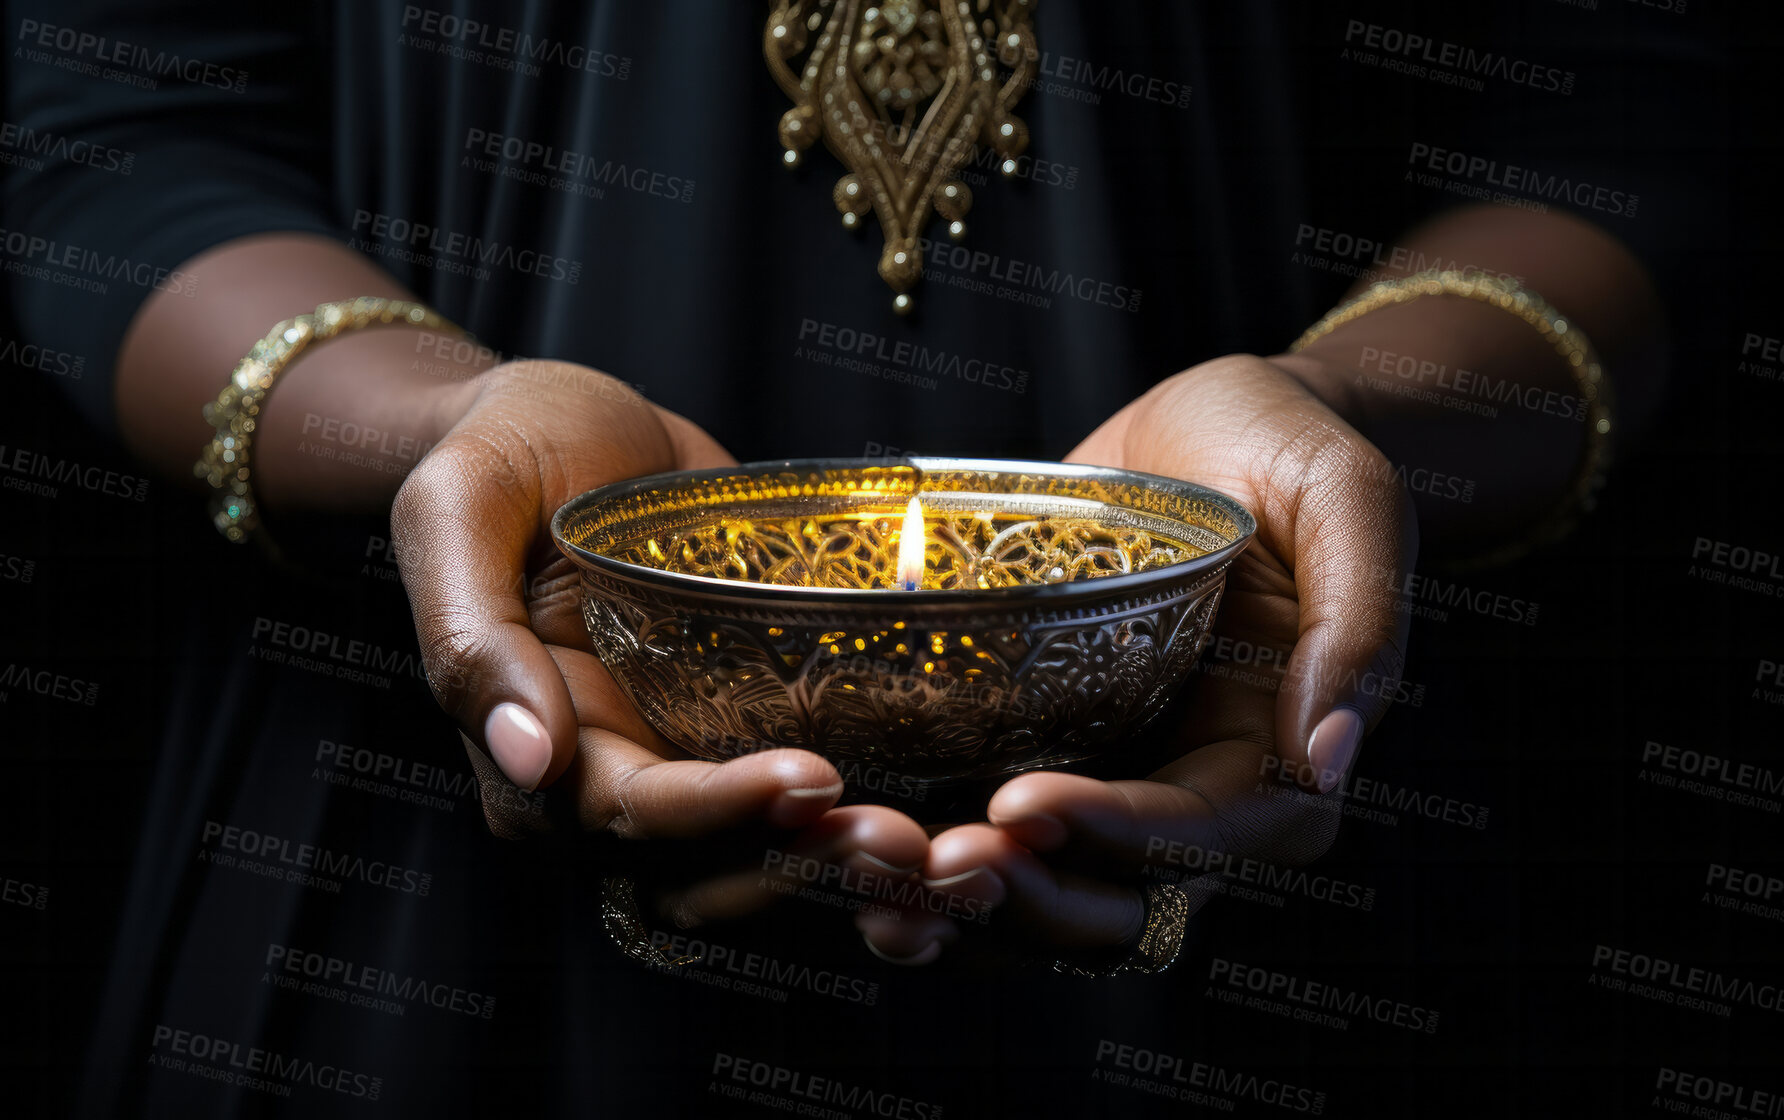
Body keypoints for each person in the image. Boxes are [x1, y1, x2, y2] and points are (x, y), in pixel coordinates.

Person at [3, 1, 1681, 1114]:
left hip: (1264, 763)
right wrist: (436, 437)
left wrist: (1343, 418)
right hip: (404, 903)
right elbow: (117, 120)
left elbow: (1631, 123)